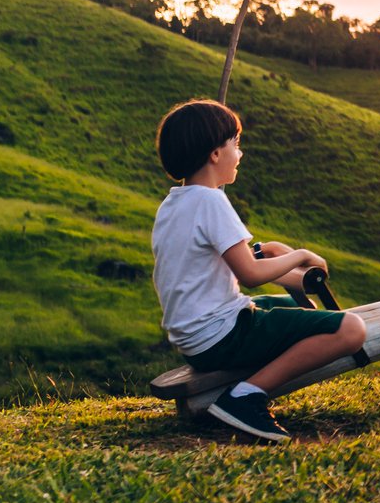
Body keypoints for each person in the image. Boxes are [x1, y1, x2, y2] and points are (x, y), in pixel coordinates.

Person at [151, 98, 367, 442]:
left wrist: (285, 268)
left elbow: (226, 263)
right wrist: (299, 255)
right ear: (215, 154)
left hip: (196, 338)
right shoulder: (211, 200)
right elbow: (250, 273)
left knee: (295, 306)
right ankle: (247, 396)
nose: (241, 152)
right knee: (352, 329)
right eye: (235, 143)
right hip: (222, 335)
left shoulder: (173, 203)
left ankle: (250, 388)